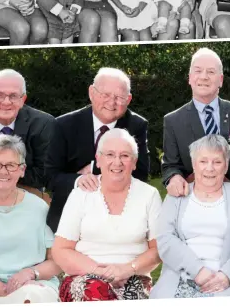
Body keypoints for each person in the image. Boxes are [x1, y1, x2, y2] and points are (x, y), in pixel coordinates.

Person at [52, 128, 161, 301]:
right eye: (110, 154)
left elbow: (157, 250)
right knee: (95, 291)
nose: (117, 162)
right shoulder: (81, 194)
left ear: (134, 162)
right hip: (85, 277)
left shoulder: (150, 195)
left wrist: (127, 269)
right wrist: (99, 271)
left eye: (125, 156)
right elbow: (60, 250)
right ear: (98, 160)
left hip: (134, 276)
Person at [45, 67, 150, 232]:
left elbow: (141, 174)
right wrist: (78, 180)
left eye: (119, 97)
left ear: (128, 99)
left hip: (117, 215)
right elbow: (50, 176)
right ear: (91, 93)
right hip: (69, 216)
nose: (111, 102)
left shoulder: (136, 125)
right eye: (105, 95)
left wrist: (95, 168)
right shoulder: (64, 125)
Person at [151, 135, 230, 299]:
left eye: (217, 162)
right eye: (203, 161)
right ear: (194, 165)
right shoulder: (176, 195)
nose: (209, 168)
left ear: (226, 166)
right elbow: (165, 239)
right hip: (181, 276)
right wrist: (198, 270)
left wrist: (227, 275)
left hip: (224, 280)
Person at [0, 134, 61, 304]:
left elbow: (57, 261)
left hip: (34, 284)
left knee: (31, 297)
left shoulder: (39, 207)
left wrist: (30, 274)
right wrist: (5, 290)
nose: (3, 171)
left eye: (11, 165)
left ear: (22, 170)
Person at [162, 48, 230, 200]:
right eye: (198, 71)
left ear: (221, 80)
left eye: (211, 72)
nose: (204, 77)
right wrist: (174, 178)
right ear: (190, 78)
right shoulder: (173, 121)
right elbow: (170, 165)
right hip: (194, 200)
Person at [0, 69, 55, 207]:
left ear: (22, 100)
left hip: (27, 192)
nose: (6, 102)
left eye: (13, 96)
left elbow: (46, 173)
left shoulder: (44, 124)